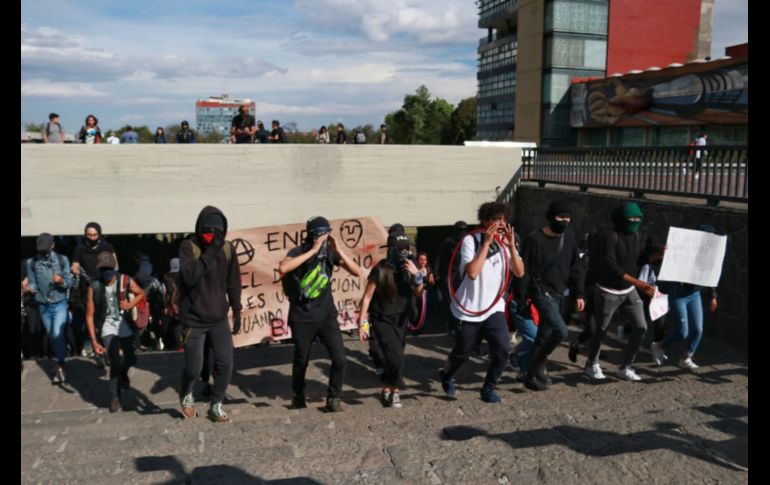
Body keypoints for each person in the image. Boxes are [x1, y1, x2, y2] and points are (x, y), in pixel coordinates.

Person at [437, 202, 524, 403]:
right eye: (496, 219)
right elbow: (473, 273)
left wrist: (511, 245)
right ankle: (447, 374)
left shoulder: (506, 244)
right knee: (463, 353)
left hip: (494, 308)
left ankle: (488, 388)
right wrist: (486, 243)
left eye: (503, 219)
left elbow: (520, 272)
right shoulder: (471, 240)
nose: (501, 223)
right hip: (469, 308)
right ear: (485, 220)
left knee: (502, 350)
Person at [279, 216, 362, 412]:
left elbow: (357, 271)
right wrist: (314, 251)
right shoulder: (299, 251)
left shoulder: (331, 253)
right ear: (313, 235)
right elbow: (283, 268)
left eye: (328, 233)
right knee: (301, 360)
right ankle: (298, 395)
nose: (325, 238)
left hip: (327, 316)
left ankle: (333, 397)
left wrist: (338, 249)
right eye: (322, 234)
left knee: (340, 359)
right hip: (302, 317)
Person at [178, 206, 242, 422]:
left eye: (217, 233)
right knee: (193, 368)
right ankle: (186, 391)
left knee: (226, 364)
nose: (212, 237)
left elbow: (234, 283)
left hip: (219, 318)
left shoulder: (228, 249)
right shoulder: (188, 247)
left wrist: (238, 309)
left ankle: (216, 404)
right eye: (207, 232)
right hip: (193, 320)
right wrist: (210, 252)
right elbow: (190, 277)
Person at [514, 200, 585, 391]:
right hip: (540, 291)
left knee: (544, 336)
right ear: (551, 217)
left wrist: (579, 294)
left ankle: (531, 375)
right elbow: (524, 271)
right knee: (560, 331)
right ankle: (535, 364)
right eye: (561, 217)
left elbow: (576, 268)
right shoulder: (534, 239)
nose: (565, 221)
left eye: (568, 218)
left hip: (558, 293)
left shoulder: (569, 238)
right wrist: (521, 298)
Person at [584, 203, 655, 382]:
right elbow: (611, 266)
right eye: (631, 218)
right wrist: (638, 283)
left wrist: (660, 254)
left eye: (638, 218)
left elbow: (640, 259)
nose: (635, 222)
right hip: (608, 290)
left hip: (629, 290)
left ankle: (626, 366)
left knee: (641, 327)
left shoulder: (637, 236)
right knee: (601, 329)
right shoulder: (610, 237)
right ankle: (591, 363)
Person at [358, 234, 425, 408]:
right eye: (400, 249)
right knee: (395, 356)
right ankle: (396, 389)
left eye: (406, 249)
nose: (404, 253)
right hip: (382, 318)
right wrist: (362, 324)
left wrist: (417, 276)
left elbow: (419, 293)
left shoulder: (410, 268)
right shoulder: (380, 269)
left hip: (401, 318)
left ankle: (388, 389)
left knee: (396, 357)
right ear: (391, 250)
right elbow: (366, 297)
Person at [651, 224, 719, 370]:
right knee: (682, 331)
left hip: (695, 294)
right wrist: (666, 253)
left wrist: (712, 296)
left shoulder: (708, 256)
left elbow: (709, 276)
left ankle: (686, 357)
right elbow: (663, 263)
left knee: (698, 330)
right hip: (678, 293)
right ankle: (660, 346)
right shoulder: (685, 251)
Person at [85, 251, 145, 412]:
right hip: (107, 325)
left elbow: (141, 293)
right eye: (103, 269)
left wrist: (130, 304)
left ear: (114, 267)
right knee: (115, 361)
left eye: (109, 268)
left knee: (130, 358)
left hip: (124, 324)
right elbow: (89, 315)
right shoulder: (94, 286)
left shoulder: (125, 280)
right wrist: (94, 340)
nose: (106, 272)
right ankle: (115, 397)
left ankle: (123, 374)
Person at [25, 233, 73, 383]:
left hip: (59, 303)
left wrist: (60, 281)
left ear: (52, 245)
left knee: (58, 333)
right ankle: (61, 359)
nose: (43, 253)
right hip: (42, 304)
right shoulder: (31, 262)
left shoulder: (62, 259)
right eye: (40, 250)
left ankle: (60, 364)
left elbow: (69, 283)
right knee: (52, 334)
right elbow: (33, 283)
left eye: (45, 249)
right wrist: (28, 288)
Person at [71, 222, 119, 359]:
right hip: (87, 286)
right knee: (90, 318)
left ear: (99, 234)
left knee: (105, 317)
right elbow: (75, 263)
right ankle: (95, 346)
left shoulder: (107, 246)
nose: (92, 238)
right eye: (89, 235)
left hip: (104, 283)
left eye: (94, 235)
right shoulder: (79, 248)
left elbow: (115, 265)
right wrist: (74, 269)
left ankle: (108, 348)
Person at [434, 221, 469, 336]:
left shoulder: (467, 242)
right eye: (460, 230)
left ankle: (461, 323)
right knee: (449, 302)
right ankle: (451, 325)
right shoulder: (448, 242)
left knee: (462, 301)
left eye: (464, 230)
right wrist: (436, 273)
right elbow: (439, 257)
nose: (462, 233)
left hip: (462, 276)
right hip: (448, 276)